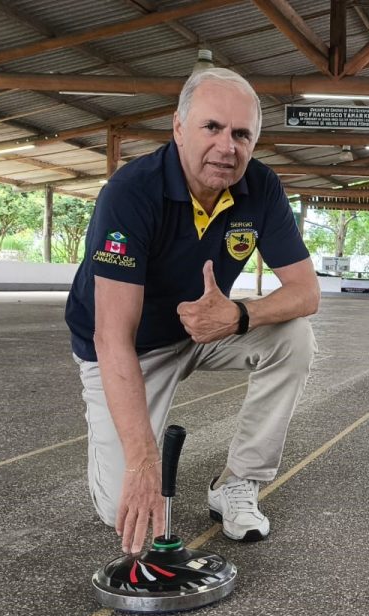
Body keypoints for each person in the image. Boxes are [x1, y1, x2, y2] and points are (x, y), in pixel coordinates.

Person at [65, 67, 319, 555]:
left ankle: (238, 482)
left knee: (294, 337)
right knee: (121, 505)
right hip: (131, 349)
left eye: (242, 134)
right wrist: (143, 463)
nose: (228, 146)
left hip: (205, 329)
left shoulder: (261, 188)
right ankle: (124, 457)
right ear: (179, 129)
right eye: (212, 128)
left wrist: (239, 316)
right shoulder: (131, 192)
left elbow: (306, 294)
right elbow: (111, 337)